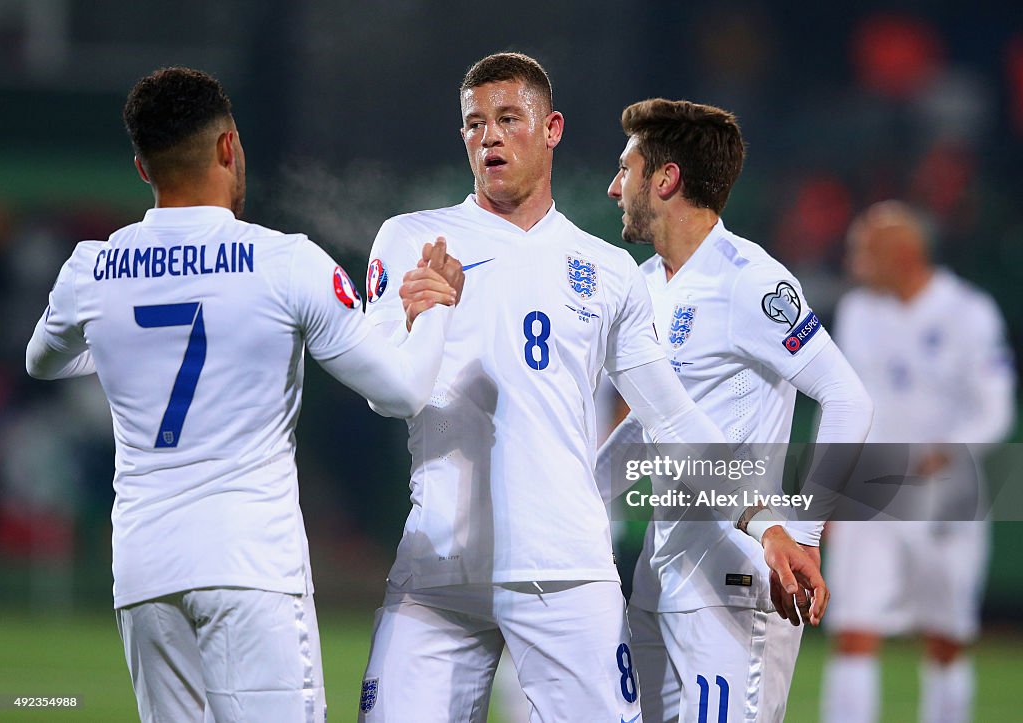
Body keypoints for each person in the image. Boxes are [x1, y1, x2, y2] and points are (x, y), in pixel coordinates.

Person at [356, 52, 827, 722]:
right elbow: (385, 391)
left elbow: (674, 418)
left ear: (551, 128)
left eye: (507, 118)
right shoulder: (411, 242)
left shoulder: (606, 270)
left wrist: (767, 522)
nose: (488, 135)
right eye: (473, 123)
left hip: (567, 570)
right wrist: (417, 318)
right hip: (439, 567)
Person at [24, 66, 463, 723]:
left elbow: (41, 359)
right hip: (249, 565)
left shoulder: (94, 266)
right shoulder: (283, 261)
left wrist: (123, 348)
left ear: (143, 168)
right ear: (228, 148)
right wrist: (436, 307)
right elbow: (401, 390)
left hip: (145, 570)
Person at [598, 98, 874, 722]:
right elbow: (653, 422)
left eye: (626, 170)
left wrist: (801, 534)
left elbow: (847, 398)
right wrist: (583, 501)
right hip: (659, 571)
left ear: (665, 180)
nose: (614, 187)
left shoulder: (750, 280)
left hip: (739, 578)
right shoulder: (644, 284)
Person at [821, 201, 1015, 723]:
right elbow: (849, 403)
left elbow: (995, 407)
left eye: (866, 247)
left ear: (905, 253)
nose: (855, 257)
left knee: (945, 635)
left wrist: (949, 450)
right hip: (872, 487)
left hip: (945, 493)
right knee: (853, 626)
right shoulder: (859, 312)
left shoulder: (969, 312)